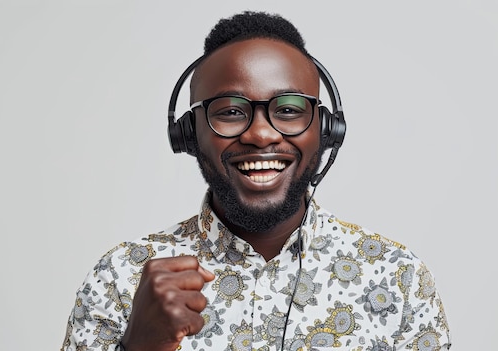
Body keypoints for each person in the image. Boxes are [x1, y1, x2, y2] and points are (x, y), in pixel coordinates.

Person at [60, 11, 451, 351]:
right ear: (189, 134)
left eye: (289, 109)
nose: (261, 135)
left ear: (327, 129)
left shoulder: (399, 278)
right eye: (230, 111)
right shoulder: (119, 277)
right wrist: (142, 347)